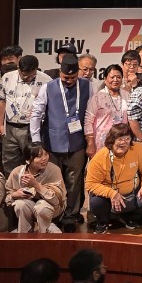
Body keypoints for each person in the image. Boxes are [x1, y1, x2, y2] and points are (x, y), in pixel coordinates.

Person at [29, 53, 92, 230]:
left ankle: (70, 216)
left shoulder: (87, 86)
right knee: (53, 181)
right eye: (66, 78)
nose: (69, 81)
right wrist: (36, 141)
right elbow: (36, 114)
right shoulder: (48, 87)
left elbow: (90, 113)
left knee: (74, 182)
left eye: (73, 77)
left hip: (77, 143)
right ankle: (54, 214)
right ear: (60, 73)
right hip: (52, 143)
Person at [84, 124, 142, 233]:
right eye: (120, 139)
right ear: (112, 140)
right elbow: (90, 184)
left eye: (127, 138)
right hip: (109, 198)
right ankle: (103, 221)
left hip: (131, 194)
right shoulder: (100, 157)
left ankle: (130, 217)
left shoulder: (137, 148)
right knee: (96, 202)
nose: (124, 142)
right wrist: (112, 194)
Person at [0, 55, 50, 178]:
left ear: (36, 69)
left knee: (32, 160)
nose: (27, 78)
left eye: (31, 75)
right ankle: (11, 186)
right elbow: (2, 101)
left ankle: (32, 186)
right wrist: (0, 124)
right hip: (10, 126)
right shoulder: (7, 77)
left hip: (31, 128)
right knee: (8, 160)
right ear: (18, 69)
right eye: (24, 75)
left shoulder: (46, 80)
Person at [3, 145, 65, 235]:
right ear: (28, 160)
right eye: (39, 156)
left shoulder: (54, 170)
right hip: (29, 206)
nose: (44, 158)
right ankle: (24, 236)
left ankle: (45, 235)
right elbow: (8, 197)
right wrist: (14, 195)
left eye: (46, 154)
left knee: (41, 207)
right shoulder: (17, 172)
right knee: (20, 204)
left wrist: (35, 184)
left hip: (51, 207)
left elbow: (56, 200)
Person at [84, 64, 129, 157]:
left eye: (118, 77)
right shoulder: (97, 97)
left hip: (122, 143)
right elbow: (88, 121)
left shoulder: (127, 95)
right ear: (105, 79)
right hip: (101, 144)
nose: (115, 80)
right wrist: (90, 143)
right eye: (112, 77)